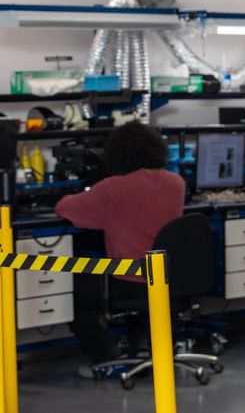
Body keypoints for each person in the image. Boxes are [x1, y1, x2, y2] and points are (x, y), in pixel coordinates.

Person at [54, 121, 185, 376]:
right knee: (138, 289)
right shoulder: (176, 183)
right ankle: (143, 348)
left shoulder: (113, 188)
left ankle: (105, 359)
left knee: (73, 291)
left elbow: (66, 208)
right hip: (168, 277)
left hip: (129, 278)